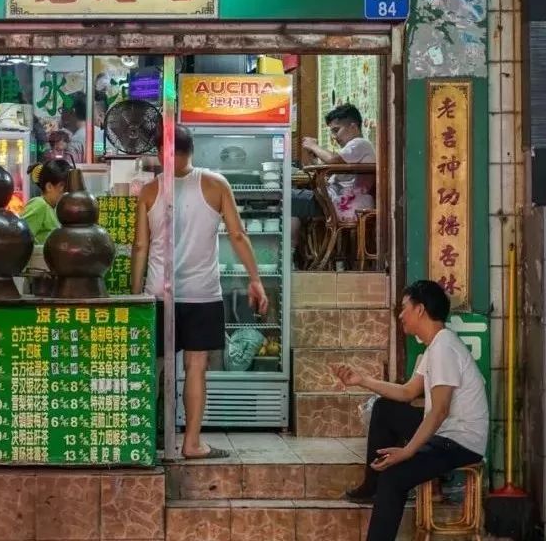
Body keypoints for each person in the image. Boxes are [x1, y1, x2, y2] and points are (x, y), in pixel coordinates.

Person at [131, 125, 268, 460]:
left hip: (158, 294)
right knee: (196, 367)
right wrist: (255, 279)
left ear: (161, 152)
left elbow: (140, 247)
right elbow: (238, 235)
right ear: (192, 149)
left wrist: (135, 296)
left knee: (153, 368)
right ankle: (191, 443)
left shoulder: (149, 191)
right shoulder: (215, 184)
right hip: (202, 294)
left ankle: (144, 442)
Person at [332, 279, 488, 541]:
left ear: (420, 309)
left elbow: (439, 411)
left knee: (393, 477)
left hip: (460, 441)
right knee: (385, 408)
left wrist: (407, 451)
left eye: (404, 307)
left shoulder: (444, 348)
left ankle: (379, 488)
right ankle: (372, 484)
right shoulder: (435, 346)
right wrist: (362, 380)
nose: (401, 315)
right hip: (445, 433)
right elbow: (407, 392)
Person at [291, 103, 376, 250]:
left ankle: (289, 251)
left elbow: (332, 160)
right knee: (289, 204)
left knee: (284, 198)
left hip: (339, 204)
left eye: (336, 130)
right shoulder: (352, 151)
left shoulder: (360, 144)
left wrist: (313, 146)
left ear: (353, 127)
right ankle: (290, 251)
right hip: (333, 201)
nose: (334, 137)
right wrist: (314, 157)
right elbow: (331, 170)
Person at [23, 159, 72, 245]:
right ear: (49, 186)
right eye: (63, 186)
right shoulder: (39, 204)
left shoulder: (54, 208)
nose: (66, 191)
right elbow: (19, 238)